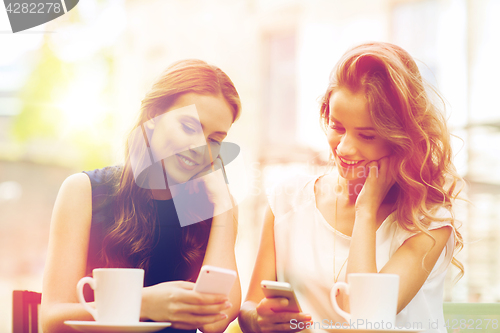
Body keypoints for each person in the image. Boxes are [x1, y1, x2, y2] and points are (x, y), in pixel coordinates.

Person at [239, 42, 464, 333]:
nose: (344, 148)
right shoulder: (288, 198)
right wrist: (258, 320)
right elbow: (248, 309)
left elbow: (367, 321)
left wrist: (366, 210)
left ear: (401, 138)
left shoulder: (429, 222)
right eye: (337, 127)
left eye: (367, 135)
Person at [41, 59, 242, 333]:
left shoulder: (214, 206)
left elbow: (216, 320)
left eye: (215, 140)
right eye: (189, 126)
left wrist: (222, 211)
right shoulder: (83, 191)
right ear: (152, 117)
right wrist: (142, 305)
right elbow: (52, 319)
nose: (199, 148)